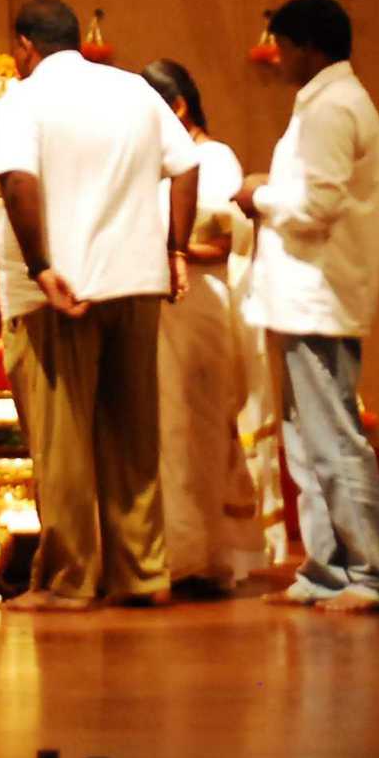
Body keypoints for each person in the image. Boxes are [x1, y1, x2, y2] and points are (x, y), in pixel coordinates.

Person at [0, 0, 198, 612]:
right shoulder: (134, 89)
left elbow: (17, 181)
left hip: (65, 289)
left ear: (26, 45)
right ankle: (142, 573)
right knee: (133, 436)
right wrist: (176, 249)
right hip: (137, 282)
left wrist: (41, 267)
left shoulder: (26, 97)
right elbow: (186, 165)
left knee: (63, 441)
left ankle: (68, 579)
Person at [234, 0, 379, 614]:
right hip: (303, 295)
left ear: (308, 47)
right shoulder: (326, 103)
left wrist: (258, 194)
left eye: (280, 46)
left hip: (318, 295)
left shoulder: (333, 108)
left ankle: (375, 574)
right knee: (305, 442)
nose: (275, 58)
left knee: (332, 439)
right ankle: (327, 568)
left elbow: (315, 206)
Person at [143, 60, 262, 595]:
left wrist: (162, 247)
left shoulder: (213, 160)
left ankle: (204, 557)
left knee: (198, 432)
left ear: (179, 107)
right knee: (167, 431)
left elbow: (219, 244)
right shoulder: (159, 162)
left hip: (199, 303)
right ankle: (175, 552)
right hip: (163, 305)